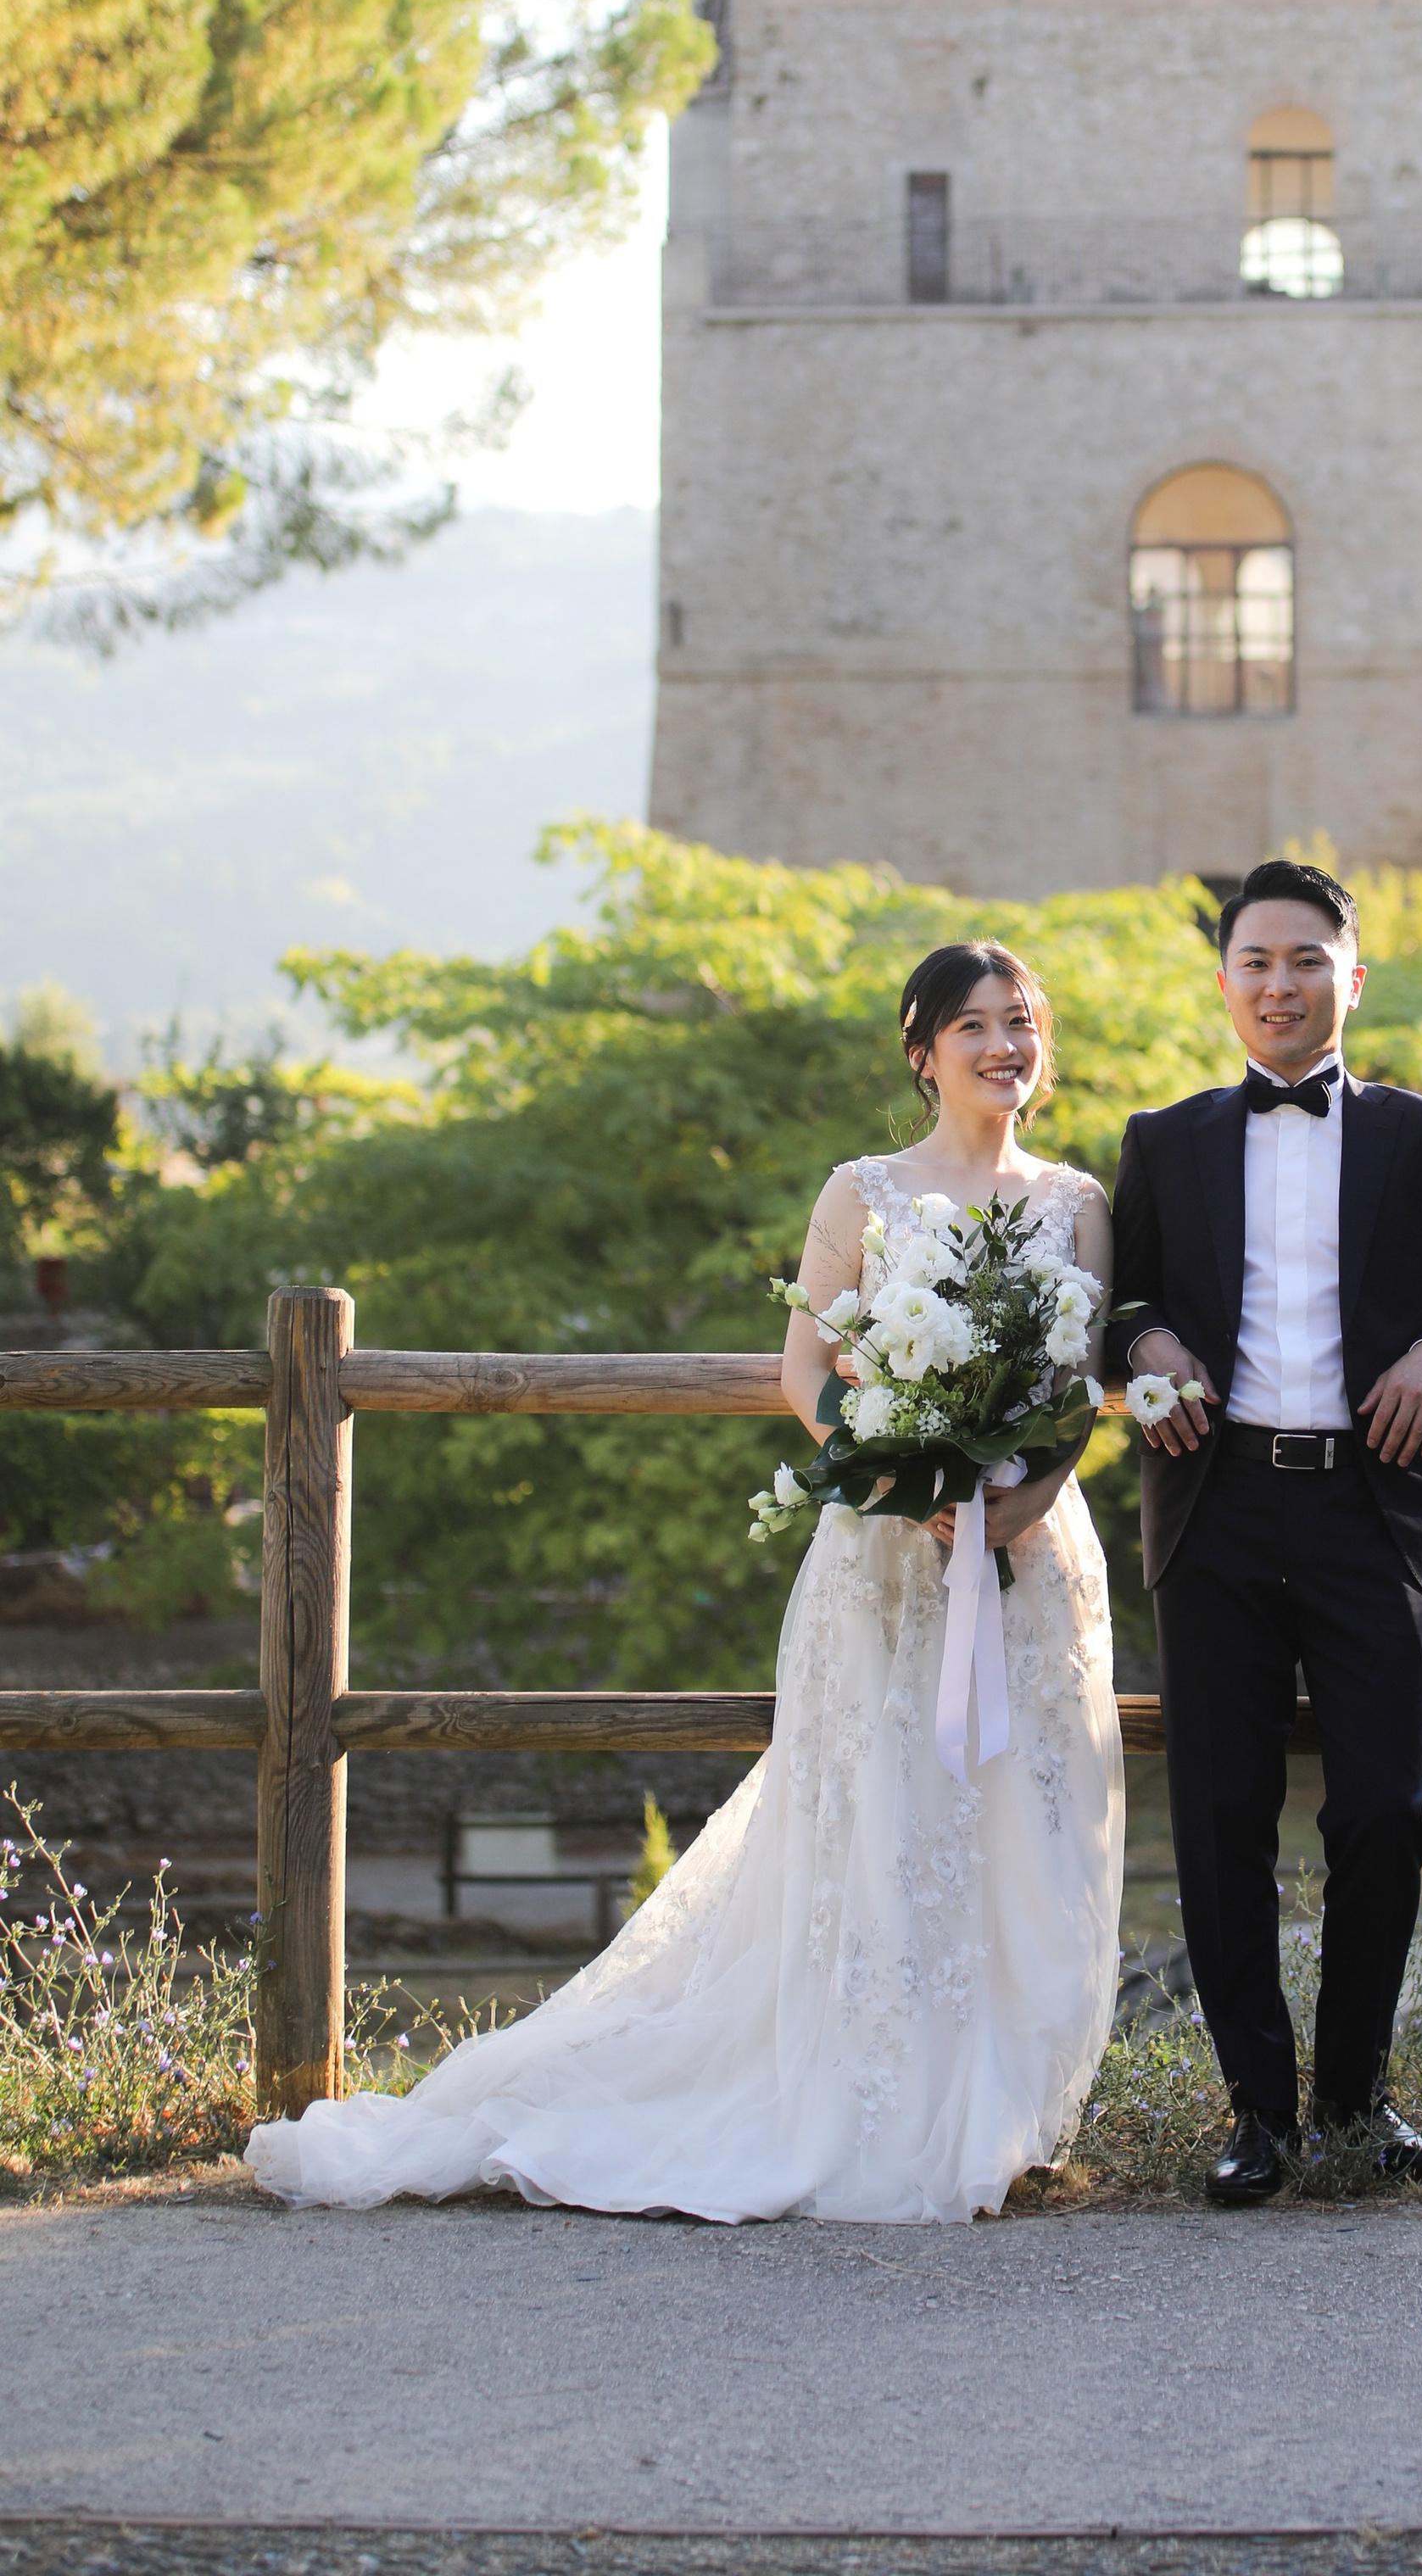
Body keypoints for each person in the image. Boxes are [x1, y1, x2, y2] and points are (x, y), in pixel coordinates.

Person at [247, 940, 1124, 2225]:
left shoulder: (1079, 1200)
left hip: (1034, 1558)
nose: (1006, 1044)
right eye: (976, 1025)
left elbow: (1076, 1386)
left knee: (1021, 1815)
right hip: (888, 1554)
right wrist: (914, 1486)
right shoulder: (863, 1190)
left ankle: (995, 2109)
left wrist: (1020, 1500)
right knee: (879, 1820)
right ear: (923, 1049)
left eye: (1025, 1021)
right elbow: (806, 1373)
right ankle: (878, 2097)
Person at [1110, 857, 1422, 2204]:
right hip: (1215, 1503)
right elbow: (1116, 1311)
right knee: (1223, 1821)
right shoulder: (1162, 1140)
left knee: (1377, 1819)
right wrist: (1151, 1333)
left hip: (1370, 1508)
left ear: (1351, 977)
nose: (1278, 984)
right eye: (1254, 964)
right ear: (1226, 984)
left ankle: (1354, 2098)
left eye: (1304, 961)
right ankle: (1257, 2116)